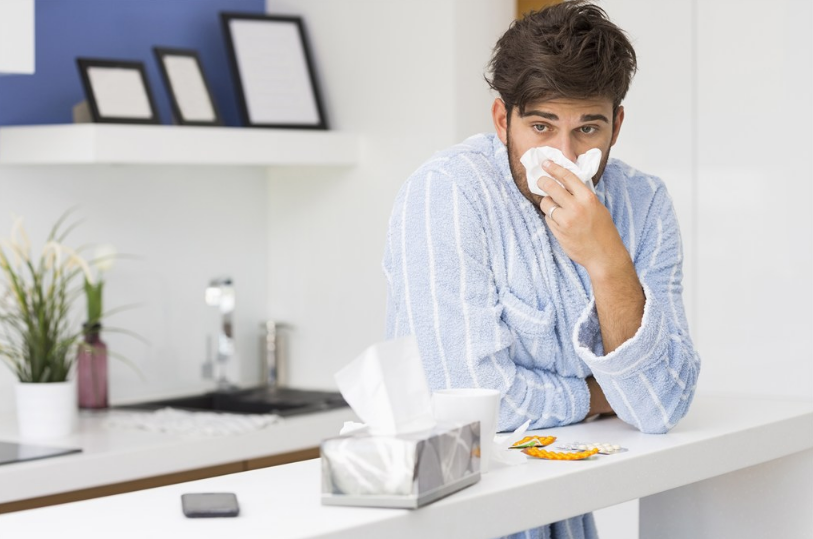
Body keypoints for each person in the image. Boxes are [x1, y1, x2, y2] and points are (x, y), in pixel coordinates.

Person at [382, 2, 700, 537]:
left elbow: (661, 403)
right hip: (456, 518)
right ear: (502, 120)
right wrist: (595, 395)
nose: (563, 156)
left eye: (587, 129)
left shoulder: (643, 204)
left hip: (563, 515)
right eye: (541, 125)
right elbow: (461, 405)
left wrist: (607, 261)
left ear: (616, 126)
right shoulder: (447, 194)